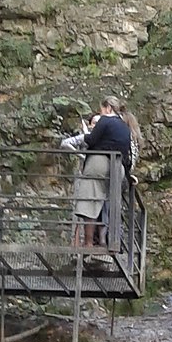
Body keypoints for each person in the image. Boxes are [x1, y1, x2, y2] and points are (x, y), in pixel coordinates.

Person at [61, 97, 133, 248]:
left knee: (90, 200)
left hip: (99, 163)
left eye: (102, 109)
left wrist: (74, 140)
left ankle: (88, 243)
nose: (101, 112)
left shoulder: (105, 121)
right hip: (118, 166)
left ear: (108, 108)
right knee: (110, 203)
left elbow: (92, 139)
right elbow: (127, 153)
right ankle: (107, 241)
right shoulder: (125, 127)